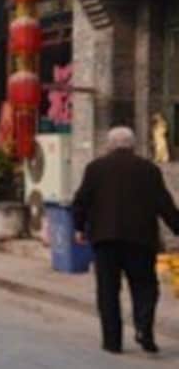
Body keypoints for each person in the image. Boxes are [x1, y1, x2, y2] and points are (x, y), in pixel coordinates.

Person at [72, 126, 179, 355]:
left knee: (108, 290)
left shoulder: (95, 168)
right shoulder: (149, 169)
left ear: (109, 145)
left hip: (105, 238)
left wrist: (79, 228)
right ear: (133, 145)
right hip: (140, 239)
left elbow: (81, 200)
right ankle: (143, 329)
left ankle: (112, 341)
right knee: (145, 287)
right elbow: (164, 204)